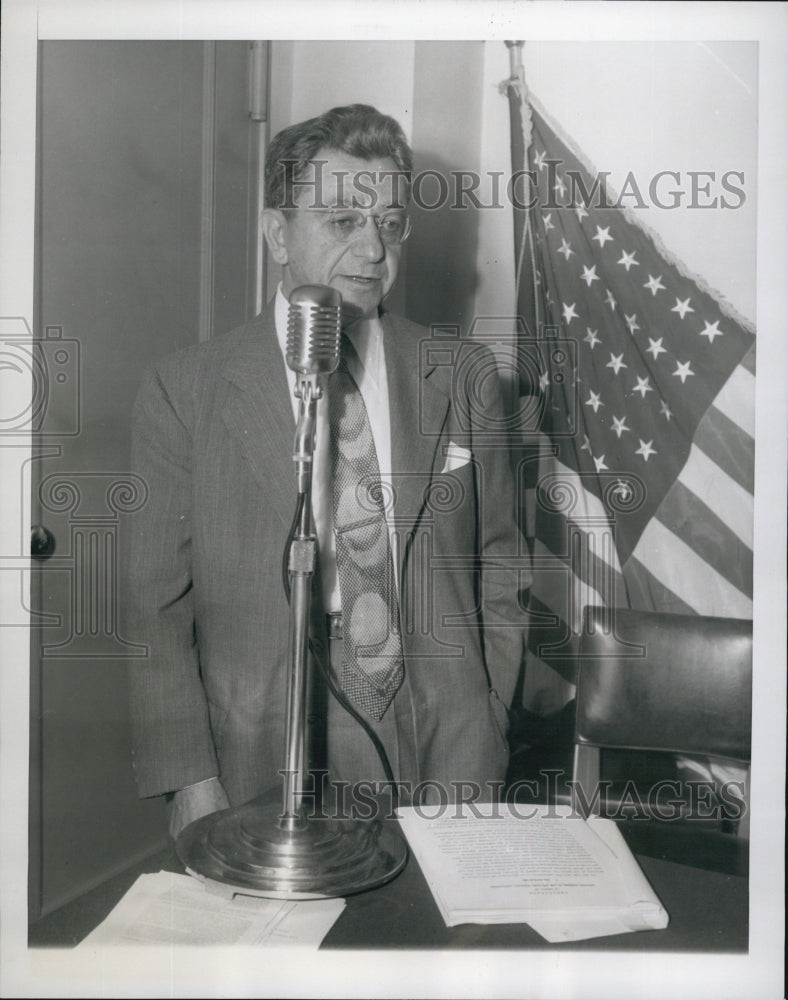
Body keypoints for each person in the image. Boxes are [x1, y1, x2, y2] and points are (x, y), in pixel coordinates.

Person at [126, 104, 530, 839]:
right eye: (343, 220)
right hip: (261, 738)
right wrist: (190, 779)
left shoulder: (462, 373)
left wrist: (489, 713)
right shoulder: (185, 389)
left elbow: (501, 563)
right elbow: (156, 611)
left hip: (445, 731)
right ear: (278, 234)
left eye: (390, 224)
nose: (373, 249)